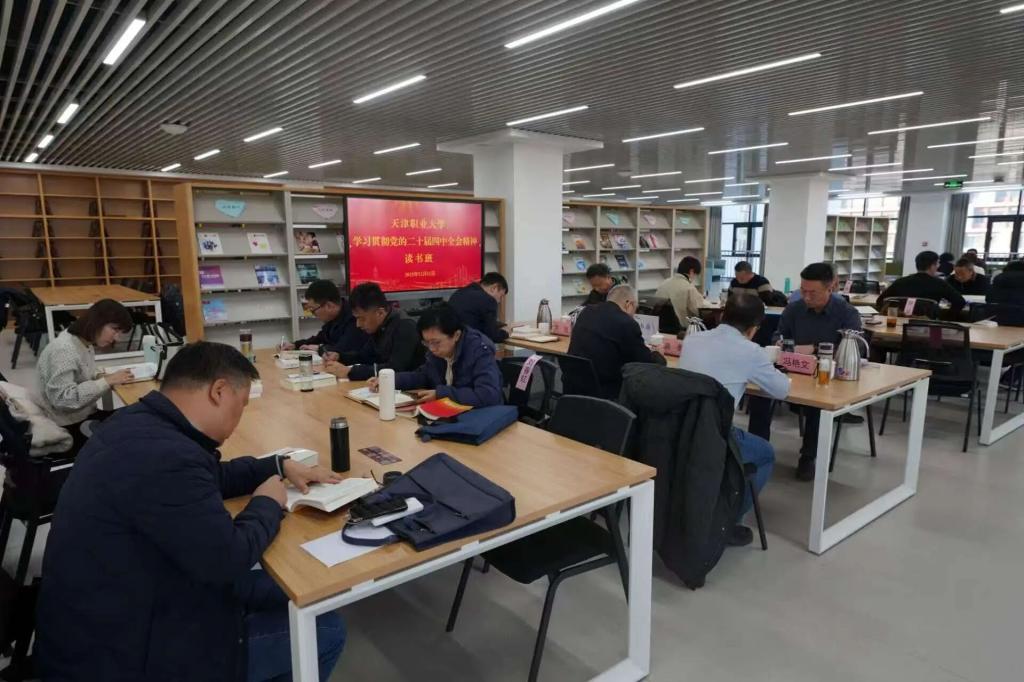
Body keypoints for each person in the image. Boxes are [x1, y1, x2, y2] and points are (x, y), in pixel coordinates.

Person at [35, 341, 346, 681]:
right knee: (327, 629)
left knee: (284, 590)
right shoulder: (168, 457)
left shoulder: (140, 424)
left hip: (126, 603)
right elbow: (228, 558)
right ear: (219, 391)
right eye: (241, 406)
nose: (238, 420)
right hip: (129, 653)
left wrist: (278, 465)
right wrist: (267, 503)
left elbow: (209, 477)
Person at [678, 295, 789, 546]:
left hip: (682, 427)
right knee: (765, 453)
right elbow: (781, 390)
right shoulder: (750, 351)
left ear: (721, 316)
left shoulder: (692, 340)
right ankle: (728, 522)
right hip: (716, 436)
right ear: (754, 328)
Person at [748, 262, 862, 481]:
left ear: (830, 288)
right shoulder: (794, 309)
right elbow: (778, 335)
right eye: (803, 291)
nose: (807, 297)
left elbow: (854, 347)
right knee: (759, 394)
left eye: (813, 292)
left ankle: (808, 457)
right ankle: (757, 450)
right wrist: (781, 344)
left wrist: (815, 348)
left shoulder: (846, 313)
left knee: (817, 404)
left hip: (827, 375)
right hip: (792, 368)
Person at [36, 298, 134, 449]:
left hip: (82, 415)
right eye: (115, 329)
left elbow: (82, 371)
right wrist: (106, 382)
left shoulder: (82, 342)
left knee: (136, 415)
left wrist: (100, 377)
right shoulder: (64, 350)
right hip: (68, 426)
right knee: (135, 430)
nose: (117, 338)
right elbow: (63, 400)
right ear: (97, 322)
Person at [386, 303, 502, 407]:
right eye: (426, 342)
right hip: (449, 411)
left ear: (456, 335)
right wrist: (391, 380)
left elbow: (488, 395)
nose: (431, 348)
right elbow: (425, 375)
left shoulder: (479, 350)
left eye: (436, 342)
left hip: (479, 415)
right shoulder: (439, 351)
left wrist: (441, 394)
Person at [567, 284, 665, 400]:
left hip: (574, 388)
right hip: (606, 393)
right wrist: (658, 354)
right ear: (629, 304)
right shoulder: (626, 323)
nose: (634, 315)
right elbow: (647, 364)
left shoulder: (586, 312)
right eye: (635, 308)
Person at [323, 282, 423, 380]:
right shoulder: (379, 326)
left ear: (380, 313)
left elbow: (395, 368)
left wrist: (351, 372)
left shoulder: (405, 326)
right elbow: (364, 356)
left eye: (362, 318)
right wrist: (340, 356)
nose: (358, 324)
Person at [281, 279, 370, 363]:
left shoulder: (355, 317)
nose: (313, 314)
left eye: (313, 310)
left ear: (329, 306)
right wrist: (295, 345)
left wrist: (319, 348)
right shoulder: (334, 316)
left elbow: (341, 350)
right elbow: (321, 338)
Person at [876, 250, 966, 315]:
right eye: (938, 263)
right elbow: (960, 302)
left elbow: (880, 301)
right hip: (929, 325)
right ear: (932, 266)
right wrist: (946, 317)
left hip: (901, 323)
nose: (938, 266)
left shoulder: (901, 281)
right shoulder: (939, 283)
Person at [447, 272, 509, 342]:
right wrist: (506, 332)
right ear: (494, 288)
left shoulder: (458, 293)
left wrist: (502, 325)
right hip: (469, 345)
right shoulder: (489, 300)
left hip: (451, 343)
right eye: (500, 296)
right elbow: (493, 336)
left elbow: (478, 320)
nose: (499, 301)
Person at [655, 256, 705, 324]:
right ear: (691, 271)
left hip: (660, 325)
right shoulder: (689, 287)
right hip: (682, 327)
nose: (694, 278)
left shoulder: (664, 283)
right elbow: (697, 310)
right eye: (695, 275)